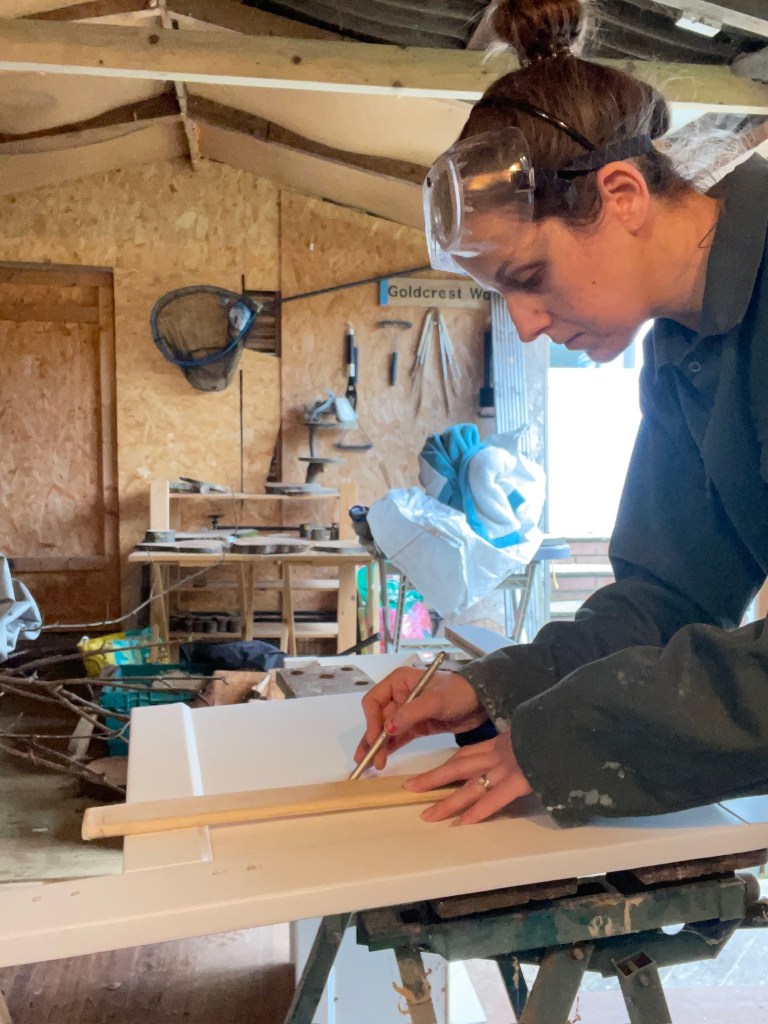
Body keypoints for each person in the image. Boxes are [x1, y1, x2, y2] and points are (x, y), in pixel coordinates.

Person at [354, 0, 768, 828]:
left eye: (531, 277)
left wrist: (565, 737)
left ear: (621, 196)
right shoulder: (684, 348)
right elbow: (668, 595)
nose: (524, 324)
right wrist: (498, 686)